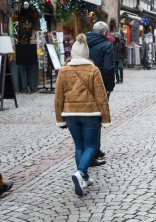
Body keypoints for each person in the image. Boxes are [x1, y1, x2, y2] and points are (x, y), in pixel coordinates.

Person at [54, 34, 111, 197]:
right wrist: (106, 118)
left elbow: (58, 97)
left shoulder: (64, 71)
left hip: (70, 114)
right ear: (86, 54)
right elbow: (101, 96)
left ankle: (84, 178)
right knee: (91, 146)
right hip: (90, 113)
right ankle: (80, 172)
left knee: (79, 146)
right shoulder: (93, 70)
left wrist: (60, 118)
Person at [86, 21, 114, 163]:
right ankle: (94, 152)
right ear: (104, 32)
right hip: (99, 86)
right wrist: (109, 87)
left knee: (87, 118)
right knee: (97, 119)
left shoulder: (83, 43)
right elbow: (108, 68)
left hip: (82, 85)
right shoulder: (106, 45)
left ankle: (93, 149)